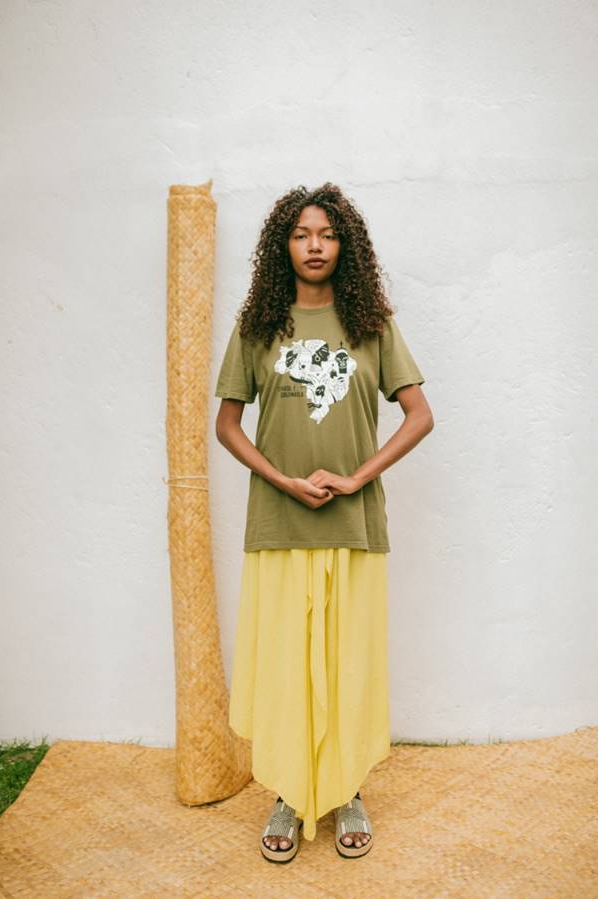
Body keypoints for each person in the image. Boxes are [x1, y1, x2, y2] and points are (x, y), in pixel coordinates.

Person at [214, 182, 433, 861]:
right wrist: (279, 477)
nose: (315, 245)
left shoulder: (372, 325)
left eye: (328, 234)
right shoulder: (257, 326)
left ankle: (345, 790)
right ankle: (286, 791)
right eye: (303, 233)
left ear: (347, 247)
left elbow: (419, 413)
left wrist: (358, 476)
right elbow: (226, 424)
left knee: (347, 665)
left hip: (353, 525)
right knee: (285, 665)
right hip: (278, 525)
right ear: (283, 244)